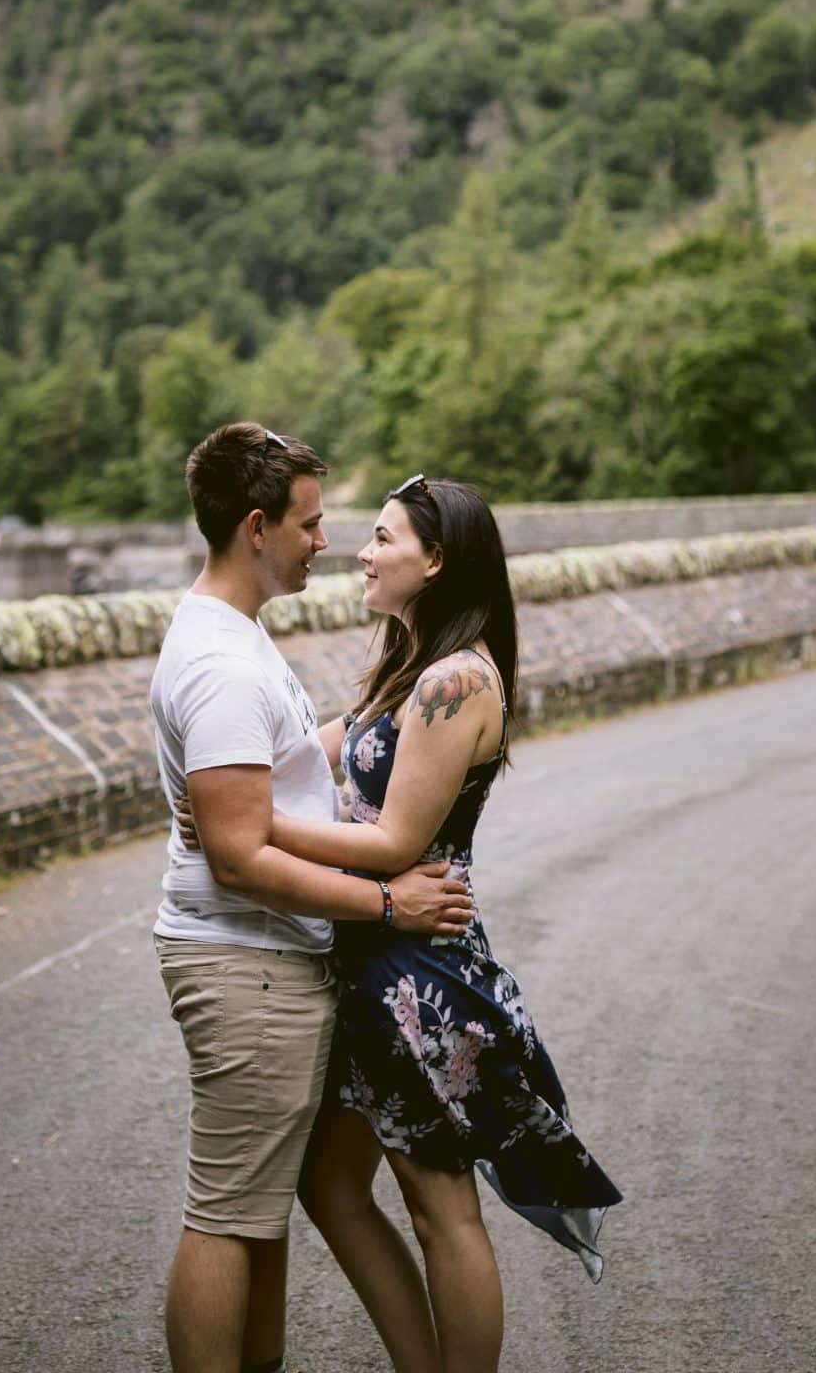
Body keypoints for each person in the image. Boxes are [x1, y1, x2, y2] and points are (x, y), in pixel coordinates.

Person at [183, 471, 619, 1373]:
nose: (360, 552)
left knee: (440, 1208)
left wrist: (251, 830)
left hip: (417, 969)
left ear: (436, 561)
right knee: (329, 1186)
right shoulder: (407, 672)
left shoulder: (456, 681)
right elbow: (304, 752)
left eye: (384, 538)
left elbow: (392, 843)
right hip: (368, 961)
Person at [149, 423, 475, 1373]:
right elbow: (242, 857)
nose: (323, 542)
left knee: (253, 1211)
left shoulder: (232, 635)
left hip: (266, 959)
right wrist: (387, 907)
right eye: (309, 523)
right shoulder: (221, 665)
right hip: (243, 965)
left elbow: (276, 779)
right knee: (226, 1212)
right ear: (256, 528)